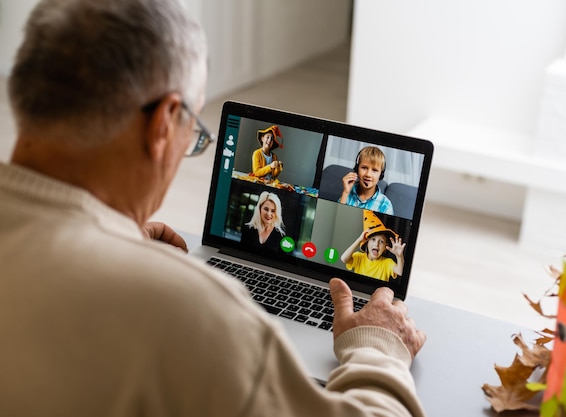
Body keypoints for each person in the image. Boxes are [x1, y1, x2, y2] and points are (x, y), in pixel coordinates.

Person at [0, 0, 427, 416]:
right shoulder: (194, 311)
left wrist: (109, 250)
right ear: (164, 124)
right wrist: (380, 349)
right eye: (193, 131)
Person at [341, 210, 406, 282]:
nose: (376, 244)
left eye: (381, 241)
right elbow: (344, 259)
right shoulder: (359, 257)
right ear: (367, 243)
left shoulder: (387, 263)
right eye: (373, 239)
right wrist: (359, 240)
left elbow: (400, 272)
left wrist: (399, 256)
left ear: (385, 247)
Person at [340, 145, 394, 214]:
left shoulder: (385, 205)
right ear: (357, 169)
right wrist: (345, 192)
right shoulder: (347, 194)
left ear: (381, 174)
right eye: (364, 168)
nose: (368, 174)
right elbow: (337, 219)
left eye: (374, 170)